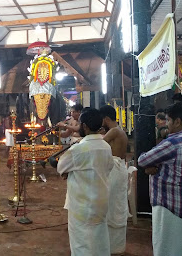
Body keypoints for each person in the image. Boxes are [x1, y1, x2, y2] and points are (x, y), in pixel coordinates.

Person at [138, 103, 182, 256]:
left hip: (170, 203)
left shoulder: (173, 143)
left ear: (178, 122)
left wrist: (157, 167)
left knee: (168, 247)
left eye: (169, 120)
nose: (167, 124)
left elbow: (143, 160)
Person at [57, 108, 114, 256]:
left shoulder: (79, 149)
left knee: (81, 241)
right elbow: (108, 168)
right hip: (101, 202)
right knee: (99, 238)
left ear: (86, 127)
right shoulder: (106, 147)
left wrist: (69, 173)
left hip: (82, 205)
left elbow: (61, 167)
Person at [100, 105, 129, 255]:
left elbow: (100, 145)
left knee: (111, 206)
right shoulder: (120, 130)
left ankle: (110, 247)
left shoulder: (113, 131)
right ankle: (116, 246)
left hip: (115, 170)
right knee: (117, 204)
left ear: (106, 118)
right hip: (120, 169)